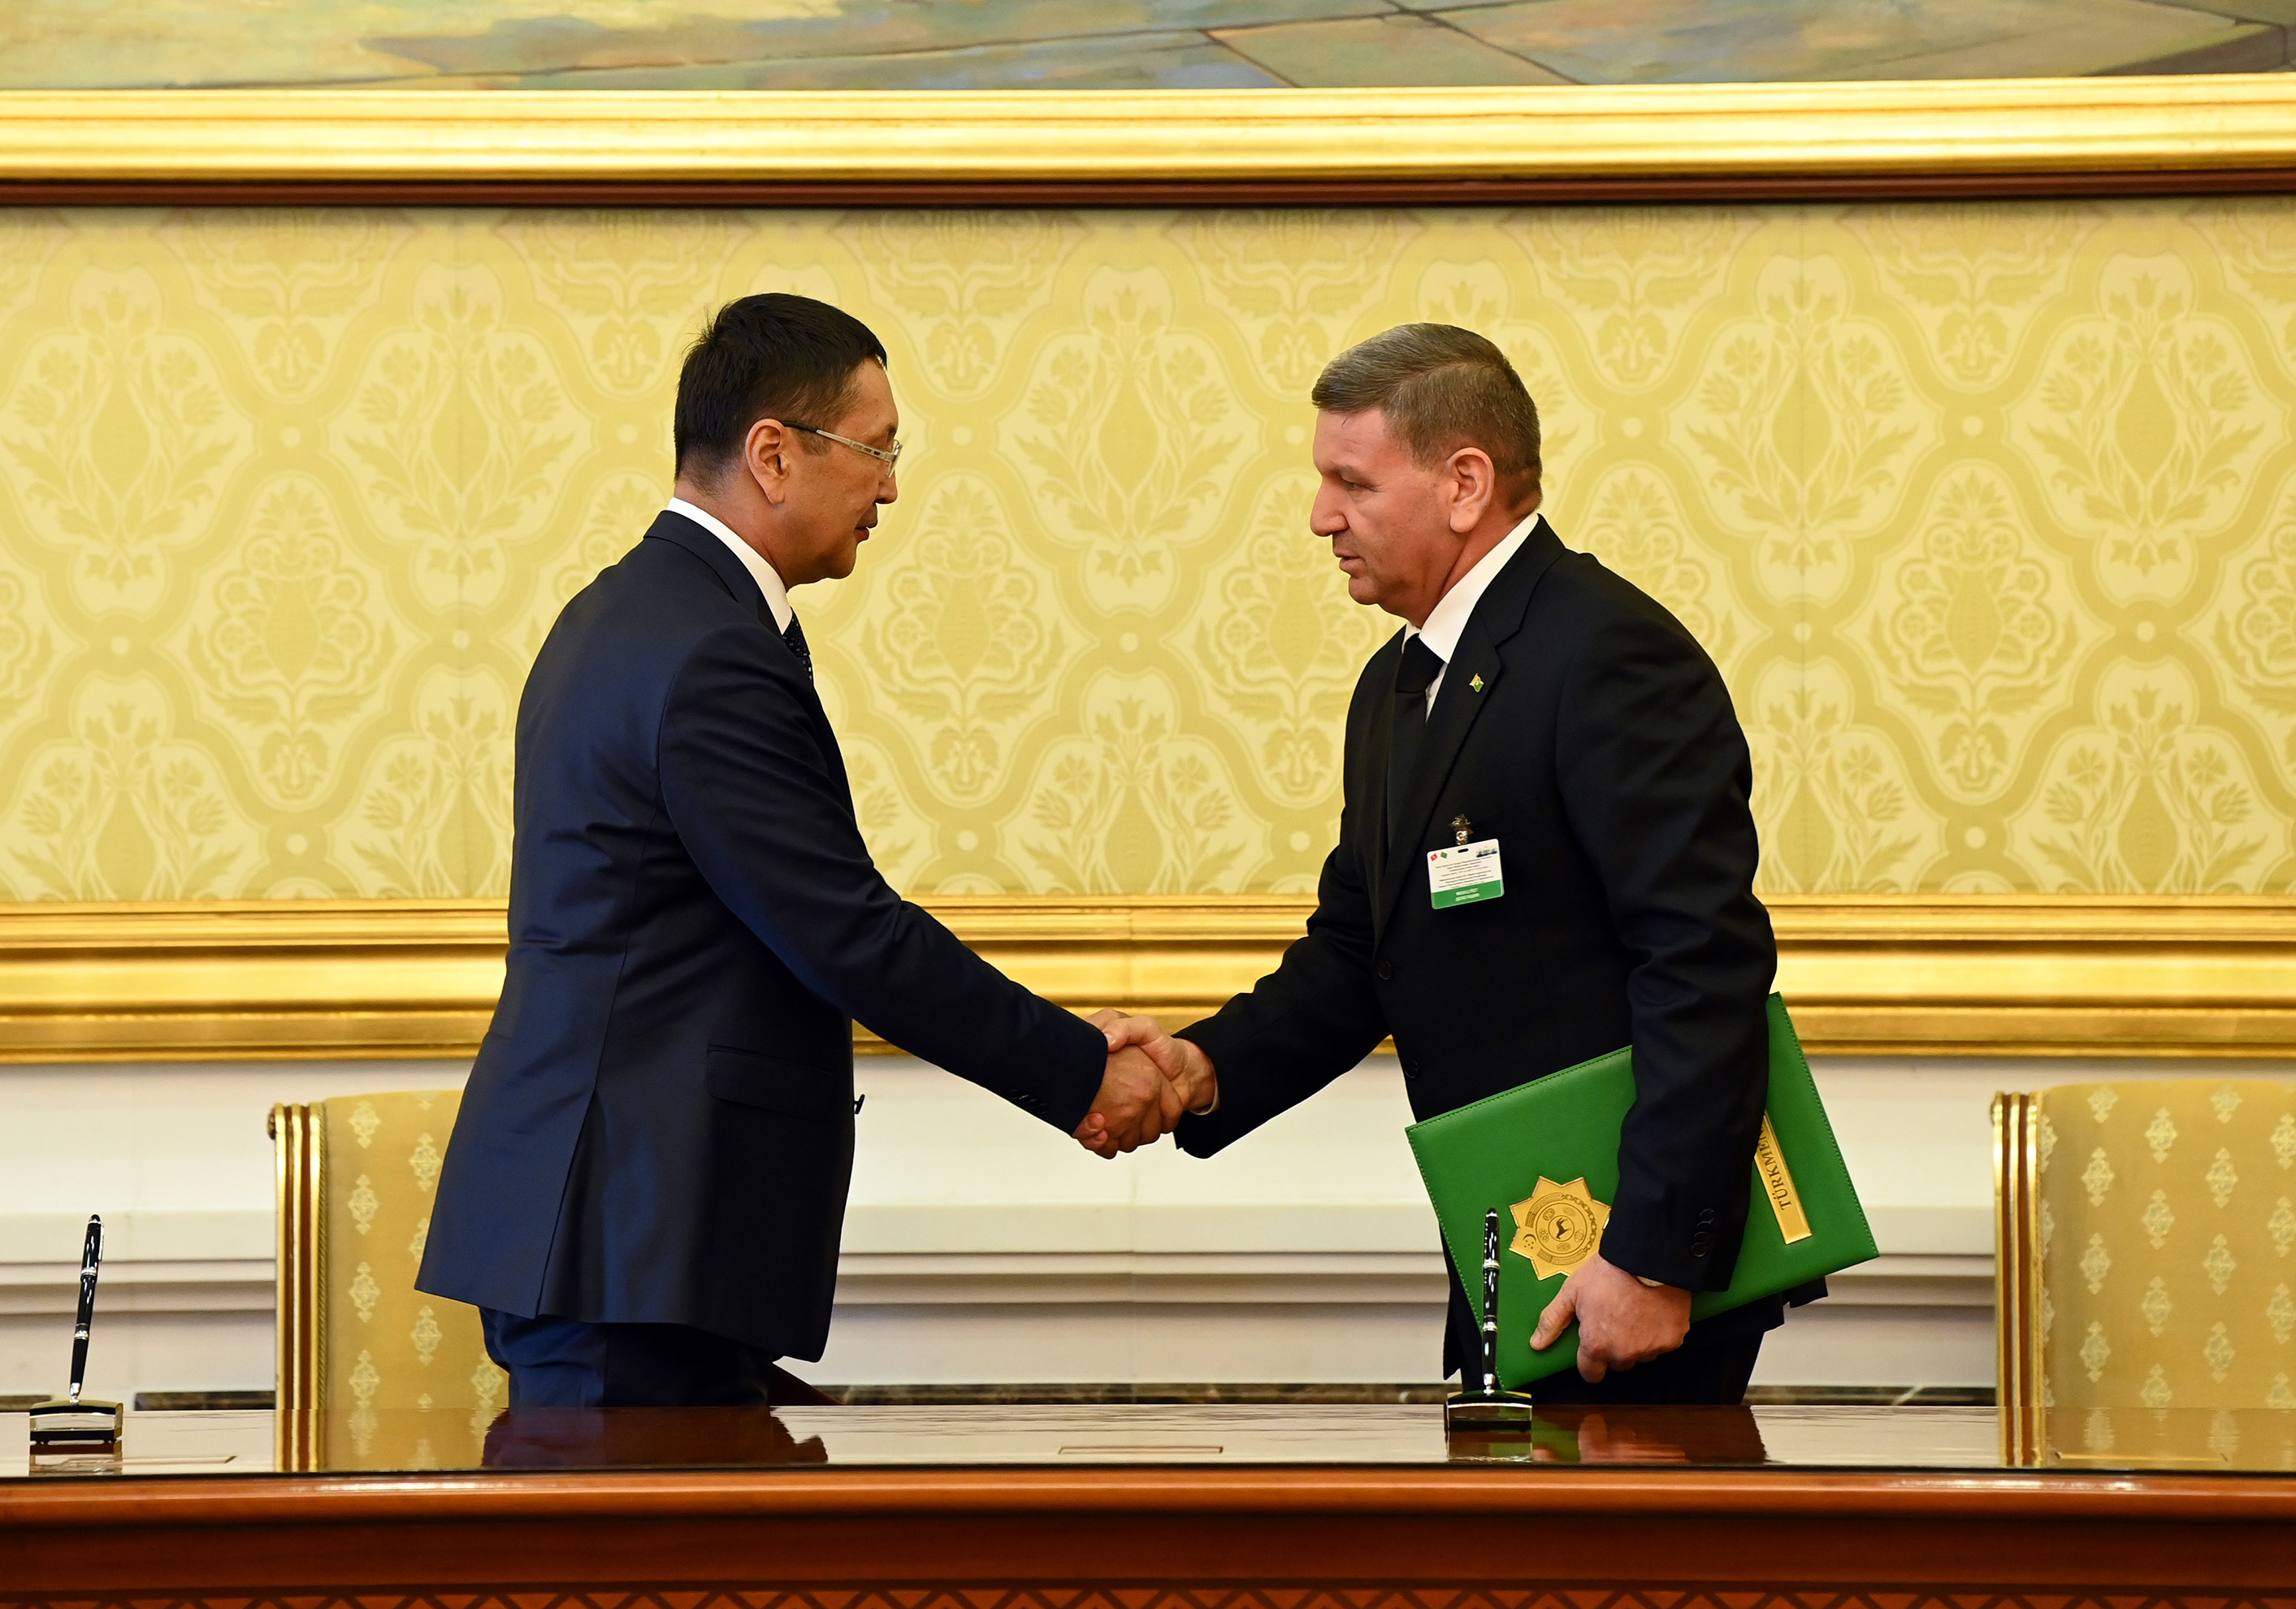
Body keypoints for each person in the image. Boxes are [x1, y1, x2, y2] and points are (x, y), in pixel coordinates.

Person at [418, 293, 1186, 1409]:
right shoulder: (707, 652)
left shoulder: (634, 612)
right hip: (630, 1234)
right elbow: (846, 932)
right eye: (877, 450)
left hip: (632, 1229)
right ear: (772, 454)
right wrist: (1080, 1070)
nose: (890, 488)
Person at [1107, 323, 1817, 1403]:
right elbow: (1359, 953)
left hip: (1628, 1270)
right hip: (1519, 1242)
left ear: (1465, 484)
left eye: (1352, 483)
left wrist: (1652, 1258)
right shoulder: (1397, 688)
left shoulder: (1609, 655)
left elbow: (1701, 968)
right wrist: (1203, 1070)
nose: (1320, 517)